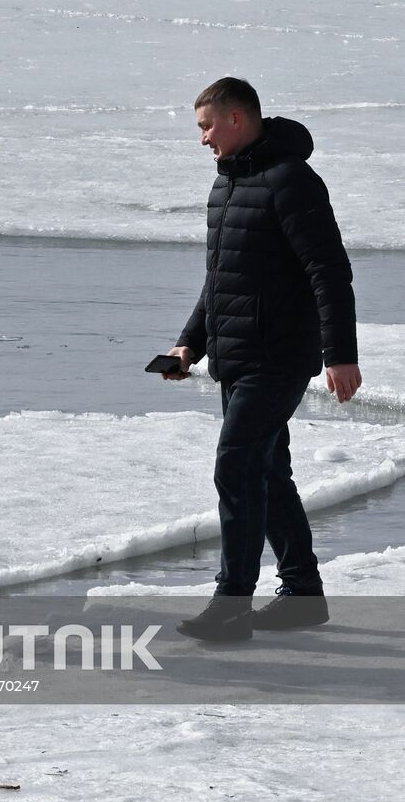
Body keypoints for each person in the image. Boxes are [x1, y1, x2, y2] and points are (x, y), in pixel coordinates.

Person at [163, 77, 361, 642]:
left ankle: (231, 606)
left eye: (205, 126)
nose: (201, 139)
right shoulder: (226, 186)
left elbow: (329, 271)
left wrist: (340, 354)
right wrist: (189, 344)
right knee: (268, 471)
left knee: (237, 465)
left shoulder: (291, 181)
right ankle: (302, 594)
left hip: (278, 356)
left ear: (235, 119)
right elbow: (220, 281)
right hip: (236, 355)